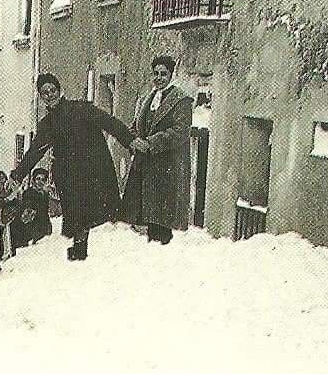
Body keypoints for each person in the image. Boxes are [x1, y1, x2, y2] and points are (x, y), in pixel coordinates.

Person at [11, 72, 149, 261]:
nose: (49, 94)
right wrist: (18, 175)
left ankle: (117, 250)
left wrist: (130, 140)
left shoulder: (81, 109)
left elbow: (109, 123)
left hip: (93, 170)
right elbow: (36, 151)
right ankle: (80, 248)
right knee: (76, 214)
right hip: (69, 176)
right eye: (45, 92)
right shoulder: (47, 124)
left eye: (52, 90)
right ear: (41, 97)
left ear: (60, 91)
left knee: (99, 212)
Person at [120, 56, 193, 244]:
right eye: (156, 74)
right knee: (145, 218)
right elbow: (136, 125)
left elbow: (180, 131)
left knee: (162, 220)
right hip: (145, 167)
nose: (159, 78)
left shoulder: (181, 100)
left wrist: (151, 143)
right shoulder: (147, 99)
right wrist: (133, 140)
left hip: (167, 169)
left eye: (164, 74)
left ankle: (162, 251)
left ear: (171, 75)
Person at [22, 167, 52, 244]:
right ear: (33, 180)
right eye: (38, 178)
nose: (40, 182)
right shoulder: (28, 193)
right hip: (32, 231)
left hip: (43, 230)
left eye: (43, 179)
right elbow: (29, 212)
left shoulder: (45, 194)